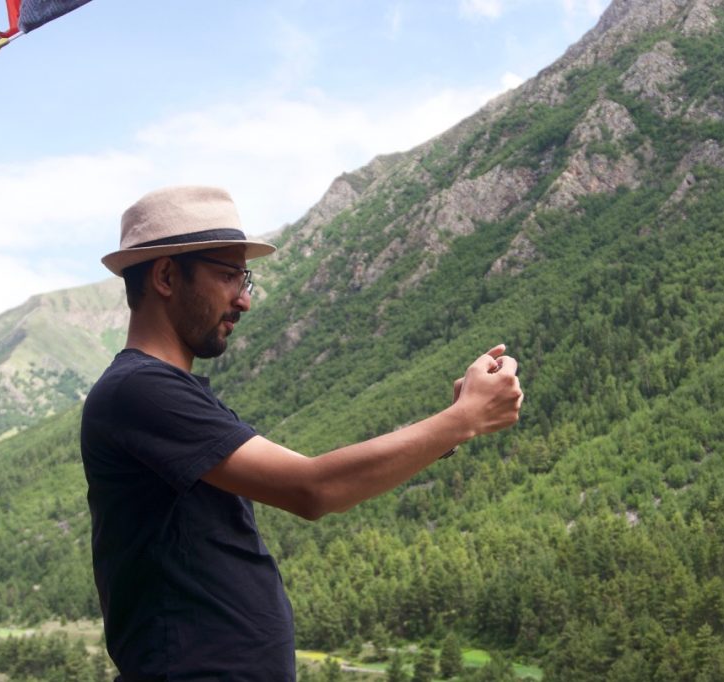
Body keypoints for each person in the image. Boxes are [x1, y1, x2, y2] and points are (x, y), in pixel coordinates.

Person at [81, 185, 524, 681]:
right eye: (227, 275)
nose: (244, 299)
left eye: (243, 279)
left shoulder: (165, 393)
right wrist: (463, 419)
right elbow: (313, 488)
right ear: (165, 275)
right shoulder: (140, 391)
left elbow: (320, 475)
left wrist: (454, 426)